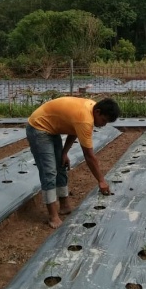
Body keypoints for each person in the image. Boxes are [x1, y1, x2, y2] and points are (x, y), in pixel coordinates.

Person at [26, 97, 120, 229]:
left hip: (52, 128)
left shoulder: (91, 109)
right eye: (103, 120)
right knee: (49, 171)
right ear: (98, 112)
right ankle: (53, 216)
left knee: (61, 165)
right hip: (39, 127)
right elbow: (89, 156)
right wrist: (101, 180)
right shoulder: (85, 119)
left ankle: (64, 206)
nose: (103, 125)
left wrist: (64, 153)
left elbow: (74, 129)